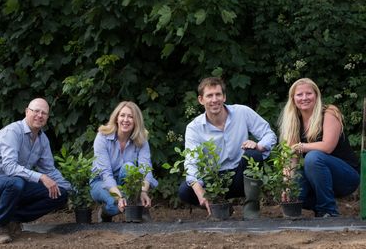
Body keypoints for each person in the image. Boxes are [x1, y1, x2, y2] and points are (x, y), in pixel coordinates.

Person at [0, 98, 71, 244]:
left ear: (47, 117)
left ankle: (13, 219)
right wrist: (41, 177)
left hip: (16, 187)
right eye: (36, 111)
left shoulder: (43, 139)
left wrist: (72, 190)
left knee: (60, 194)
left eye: (44, 113)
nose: (40, 115)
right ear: (27, 111)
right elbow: (10, 168)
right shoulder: (11, 132)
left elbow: (50, 170)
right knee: (16, 182)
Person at [178, 77, 277, 216]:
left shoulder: (242, 112)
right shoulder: (194, 128)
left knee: (254, 154)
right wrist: (200, 192)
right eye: (209, 96)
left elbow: (269, 135)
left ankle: (251, 210)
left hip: (241, 176)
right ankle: (219, 206)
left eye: (218, 94)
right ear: (201, 100)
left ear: (224, 97)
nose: (214, 100)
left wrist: (259, 145)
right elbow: (191, 162)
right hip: (214, 180)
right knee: (185, 191)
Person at [278, 78, 359, 217]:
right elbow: (290, 157)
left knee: (313, 157)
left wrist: (301, 146)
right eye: (299, 94)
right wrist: (287, 185)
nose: (304, 98)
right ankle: (320, 208)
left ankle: (328, 211)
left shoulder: (329, 113)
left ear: (316, 95)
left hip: (346, 177)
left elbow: (327, 147)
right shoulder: (293, 121)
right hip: (318, 176)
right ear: (293, 98)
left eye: (309, 93)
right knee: (295, 195)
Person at [90, 101, 158, 222]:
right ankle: (105, 213)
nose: (126, 120)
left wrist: (143, 191)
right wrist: (119, 196)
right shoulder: (102, 137)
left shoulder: (141, 140)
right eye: (122, 115)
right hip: (101, 181)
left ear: (136, 121)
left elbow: (145, 168)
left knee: (129, 167)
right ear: (116, 118)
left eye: (131, 117)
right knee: (114, 204)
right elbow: (105, 174)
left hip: (125, 180)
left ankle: (140, 207)